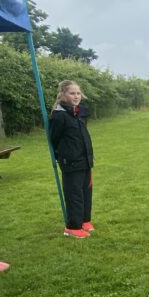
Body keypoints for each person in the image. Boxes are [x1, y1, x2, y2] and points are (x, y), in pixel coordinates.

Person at [49, 80, 95, 237]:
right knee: (74, 193)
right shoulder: (59, 116)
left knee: (86, 191)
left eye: (78, 93)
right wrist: (59, 156)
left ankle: (84, 220)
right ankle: (73, 227)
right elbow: (54, 138)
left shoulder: (81, 112)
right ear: (63, 95)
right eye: (72, 93)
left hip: (85, 159)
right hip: (71, 161)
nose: (76, 96)